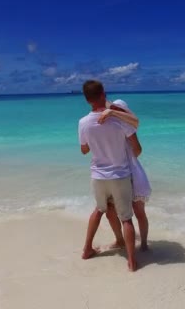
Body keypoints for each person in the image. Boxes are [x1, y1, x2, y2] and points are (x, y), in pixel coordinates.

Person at [78, 80, 142, 272]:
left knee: (99, 210)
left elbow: (84, 150)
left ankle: (87, 249)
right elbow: (137, 150)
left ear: (87, 100)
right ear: (103, 94)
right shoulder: (119, 120)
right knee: (126, 219)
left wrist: (97, 142)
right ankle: (131, 261)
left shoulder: (83, 123)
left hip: (98, 175)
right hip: (120, 175)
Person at [98, 99, 151, 251]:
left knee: (130, 211)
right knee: (125, 211)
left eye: (116, 108)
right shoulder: (122, 125)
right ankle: (135, 243)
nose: (113, 110)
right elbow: (138, 150)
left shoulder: (125, 125)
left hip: (123, 172)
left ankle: (139, 243)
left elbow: (138, 149)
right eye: (113, 108)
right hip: (126, 171)